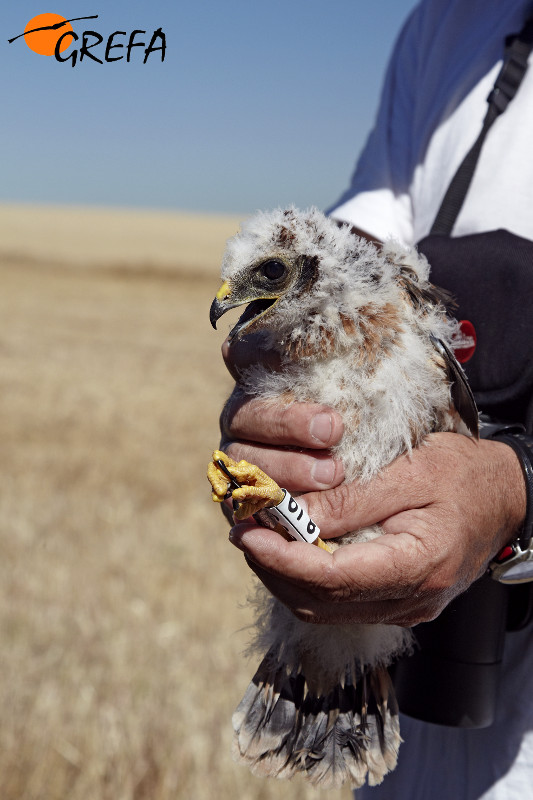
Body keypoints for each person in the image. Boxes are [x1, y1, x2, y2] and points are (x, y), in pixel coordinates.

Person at [220, 0, 533, 796]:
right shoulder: (449, 21)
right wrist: (269, 370)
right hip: (411, 718)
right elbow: (368, 233)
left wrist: (516, 483)